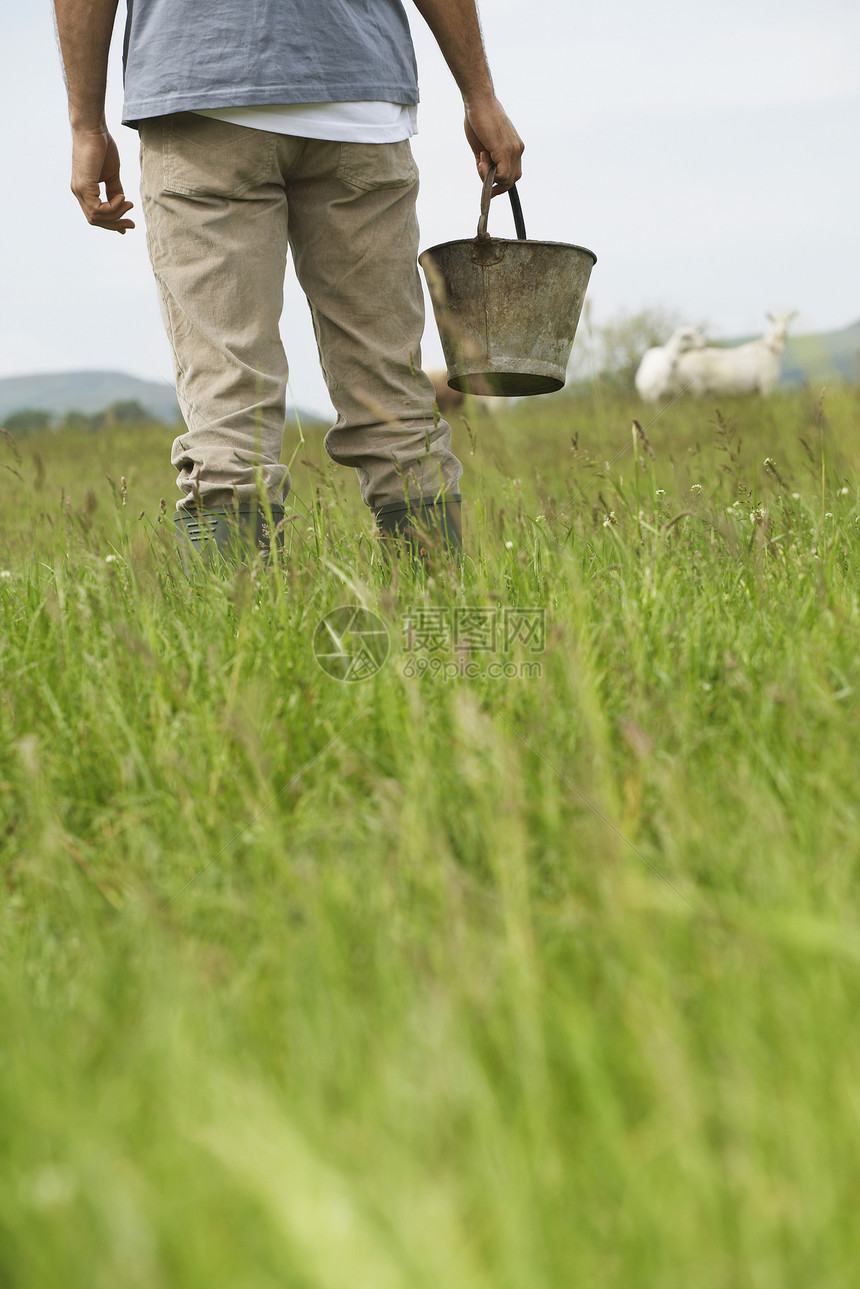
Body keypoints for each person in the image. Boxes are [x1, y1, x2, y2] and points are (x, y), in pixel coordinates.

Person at [52, 0, 524, 562]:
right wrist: (479, 94)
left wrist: (86, 123)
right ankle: (440, 631)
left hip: (200, 89)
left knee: (227, 402)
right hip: (357, 94)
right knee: (390, 393)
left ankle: (235, 641)